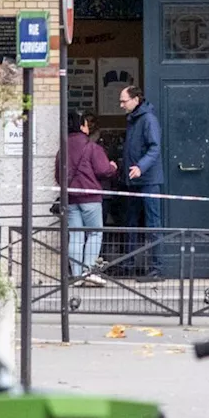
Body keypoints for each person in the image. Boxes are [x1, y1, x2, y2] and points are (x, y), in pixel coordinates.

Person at [56, 109, 118, 287]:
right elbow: (103, 170)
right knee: (95, 233)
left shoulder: (63, 148)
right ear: (83, 126)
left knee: (76, 235)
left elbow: (58, 175)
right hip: (90, 196)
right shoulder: (91, 146)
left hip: (71, 198)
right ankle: (88, 271)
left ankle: (76, 275)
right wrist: (113, 167)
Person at [119, 84, 165, 282]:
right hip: (134, 180)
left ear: (136, 100)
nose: (121, 105)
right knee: (130, 222)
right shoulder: (134, 120)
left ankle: (157, 268)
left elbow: (155, 148)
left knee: (153, 223)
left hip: (148, 181)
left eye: (124, 101)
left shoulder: (148, 120)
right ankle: (128, 264)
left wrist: (140, 167)